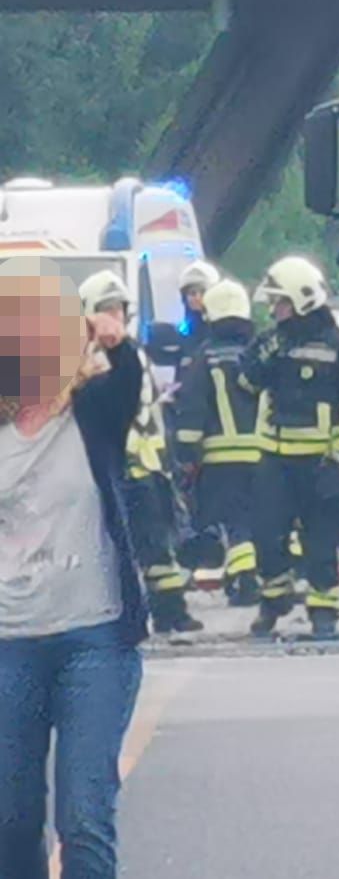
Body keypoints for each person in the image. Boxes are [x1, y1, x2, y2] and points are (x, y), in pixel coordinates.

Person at [0, 260, 151, 879]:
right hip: (10, 645)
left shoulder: (94, 412)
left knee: (84, 819)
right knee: (10, 822)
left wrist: (110, 335)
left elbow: (127, 376)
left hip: (94, 639)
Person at [78, 272, 200, 636]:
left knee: (156, 544)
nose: (114, 316)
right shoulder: (90, 358)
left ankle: (170, 612)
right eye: (106, 309)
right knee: (120, 547)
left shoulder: (131, 353)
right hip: (113, 469)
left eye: (118, 309)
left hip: (147, 467)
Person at [241, 256, 339, 639]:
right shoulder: (273, 341)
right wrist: (261, 354)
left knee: (321, 539)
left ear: (303, 301)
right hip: (275, 456)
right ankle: (274, 600)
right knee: (266, 533)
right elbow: (247, 383)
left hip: (321, 458)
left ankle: (324, 611)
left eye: (281, 303)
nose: (275, 311)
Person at [168, 279, 263, 607]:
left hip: (221, 457)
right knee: (256, 517)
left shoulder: (203, 356)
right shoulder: (259, 352)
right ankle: (266, 577)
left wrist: (185, 453)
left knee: (234, 520)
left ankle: (244, 579)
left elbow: (192, 408)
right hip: (264, 453)